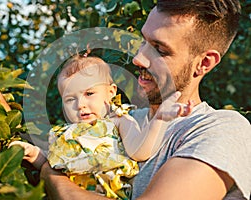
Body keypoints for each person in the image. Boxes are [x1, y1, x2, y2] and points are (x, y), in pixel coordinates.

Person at [38, 0, 251, 199]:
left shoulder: (221, 129)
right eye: (143, 42)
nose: (138, 58)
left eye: (160, 50)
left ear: (204, 63)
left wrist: (51, 175)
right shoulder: (116, 119)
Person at [11, 54, 192, 199]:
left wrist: (159, 120)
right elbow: (51, 165)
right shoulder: (64, 134)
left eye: (89, 93)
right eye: (70, 99)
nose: (80, 104)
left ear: (111, 92)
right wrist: (34, 154)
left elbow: (140, 151)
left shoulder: (119, 121)